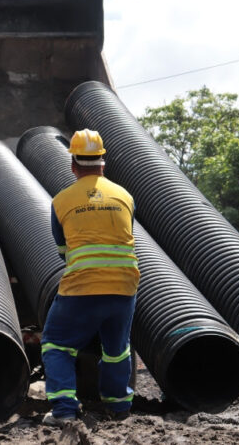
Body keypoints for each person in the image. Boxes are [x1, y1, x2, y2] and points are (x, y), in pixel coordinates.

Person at [41, 129, 140, 426]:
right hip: (124, 285)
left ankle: (64, 411)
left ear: (73, 164)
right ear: (102, 163)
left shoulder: (61, 201)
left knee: (56, 344)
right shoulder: (124, 196)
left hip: (82, 286)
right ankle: (119, 406)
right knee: (116, 347)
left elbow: (63, 251)